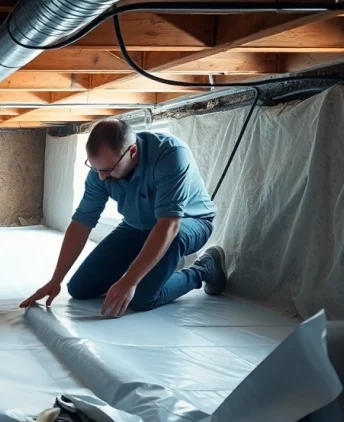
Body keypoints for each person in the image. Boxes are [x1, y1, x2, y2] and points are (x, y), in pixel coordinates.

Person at [21, 119, 227, 316]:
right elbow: (81, 222)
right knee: (79, 288)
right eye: (95, 168)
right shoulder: (101, 171)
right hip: (136, 227)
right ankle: (150, 271)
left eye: (108, 170)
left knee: (141, 298)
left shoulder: (171, 154)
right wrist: (56, 279)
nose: (101, 177)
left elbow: (169, 225)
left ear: (133, 151)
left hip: (188, 223)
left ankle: (203, 269)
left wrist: (129, 282)